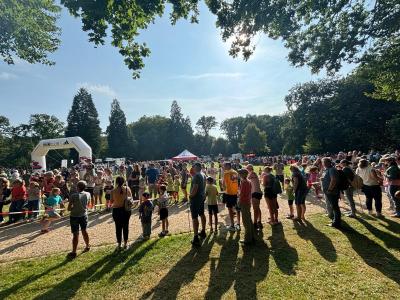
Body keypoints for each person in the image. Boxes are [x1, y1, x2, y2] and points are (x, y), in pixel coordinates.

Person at [67, 180, 91, 259]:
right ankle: (87, 246)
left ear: (77, 187)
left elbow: (69, 208)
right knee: (84, 231)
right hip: (84, 215)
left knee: (75, 234)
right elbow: (88, 205)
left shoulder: (73, 196)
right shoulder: (88, 194)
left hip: (74, 216)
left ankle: (74, 252)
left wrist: (74, 207)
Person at [110, 176, 133, 250]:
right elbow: (130, 198)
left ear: (116, 182)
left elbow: (111, 201)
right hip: (126, 210)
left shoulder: (113, 191)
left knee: (118, 227)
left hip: (116, 210)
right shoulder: (127, 188)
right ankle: (126, 243)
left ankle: (119, 244)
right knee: (126, 227)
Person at [189, 162, 207, 246]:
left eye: (194, 166)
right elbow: (204, 186)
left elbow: (195, 188)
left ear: (197, 167)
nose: (192, 167)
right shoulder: (203, 174)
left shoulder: (196, 176)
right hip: (201, 197)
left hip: (195, 198)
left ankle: (196, 237)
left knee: (194, 217)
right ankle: (203, 231)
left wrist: (190, 195)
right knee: (202, 214)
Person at [322, 157, 341, 228]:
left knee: (335, 207)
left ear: (327, 163)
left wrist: (329, 190)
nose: (323, 164)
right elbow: (330, 179)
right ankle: (335, 221)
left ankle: (336, 223)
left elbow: (334, 180)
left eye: (323, 162)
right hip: (330, 192)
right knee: (334, 206)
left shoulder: (332, 169)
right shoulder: (329, 169)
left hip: (332, 192)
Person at [238, 169, 256, 245]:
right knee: (249, 220)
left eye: (239, 174)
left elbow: (242, 194)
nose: (238, 175)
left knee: (246, 221)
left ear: (242, 175)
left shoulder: (244, 182)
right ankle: (252, 237)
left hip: (244, 202)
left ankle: (248, 239)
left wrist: (239, 202)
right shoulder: (248, 181)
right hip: (247, 202)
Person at [223, 162, 240, 231]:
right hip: (236, 192)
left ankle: (232, 225)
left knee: (230, 209)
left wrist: (223, 187)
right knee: (237, 209)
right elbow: (237, 182)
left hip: (229, 193)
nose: (223, 167)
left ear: (227, 166)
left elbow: (224, 185)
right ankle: (238, 224)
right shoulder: (235, 172)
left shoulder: (226, 173)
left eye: (224, 166)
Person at [246, 164, 263, 230]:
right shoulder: (252, 174)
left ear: (250, 169)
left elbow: (246, 179)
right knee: (257, 208)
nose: (247, 170)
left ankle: (255, 223)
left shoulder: (252, 173)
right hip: (256, 192)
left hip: (255, 193)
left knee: (255, 208)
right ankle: (259, 222)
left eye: (247, 168)